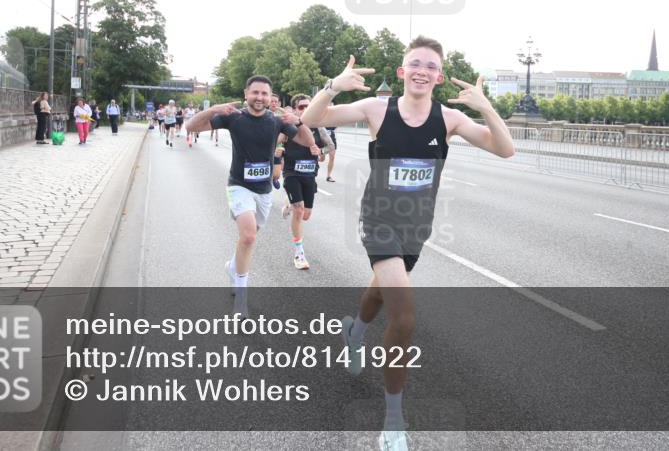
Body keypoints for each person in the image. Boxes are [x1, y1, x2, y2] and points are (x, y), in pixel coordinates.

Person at [301, 36, 515, 448]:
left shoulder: (449, 119)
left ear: (438, 76)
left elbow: (505, 150)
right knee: (405, 315)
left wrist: (485, 107)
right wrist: (332, 85)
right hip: (379, 221)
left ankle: (354, 332)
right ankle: (393, 421)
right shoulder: (376, 109)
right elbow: (312, 120)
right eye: (414, 63)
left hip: (417, 228)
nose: (422, 70)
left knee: (380, 292)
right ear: (402, 72)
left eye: (430, 66)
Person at [184, 75, 316, 316]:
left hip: (264, 191)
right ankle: (241, 300)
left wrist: (298, 121)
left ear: (270, 97)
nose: (260, 97)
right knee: (248, 236)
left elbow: (308, 142)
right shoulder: (233, 117)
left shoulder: (276, 121)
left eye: (264, 93)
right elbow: (191, 127)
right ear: (246, 94)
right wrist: (213, 109)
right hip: (239, 185)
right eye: (255, 92)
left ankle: (233, 266)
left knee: (250, 236)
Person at [279, 94, 335, 270]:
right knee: (299, 210)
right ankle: (299, 253)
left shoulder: (319, 128)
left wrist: (320, 152)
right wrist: (279, 149)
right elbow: (275, 143)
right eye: (301, 107)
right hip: (291, 173)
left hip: (309, 175)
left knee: (306, 215)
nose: (304, 110)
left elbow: (330, 146)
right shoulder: (288, 127)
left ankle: (288, 204)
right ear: (295, 109)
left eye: (307, 106)